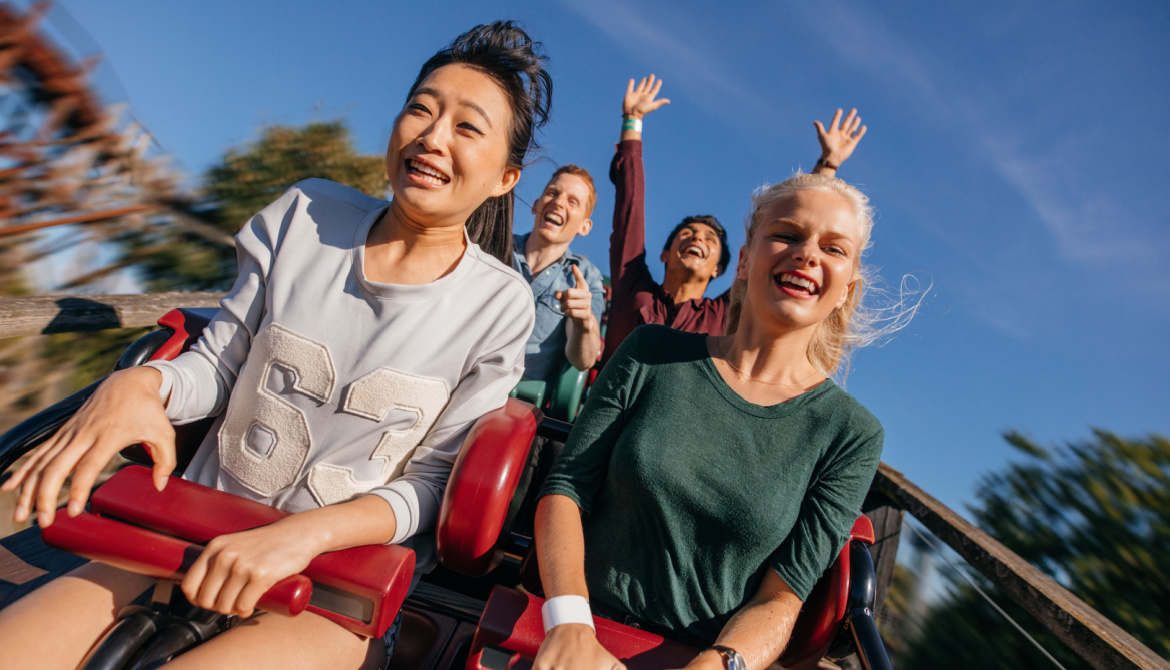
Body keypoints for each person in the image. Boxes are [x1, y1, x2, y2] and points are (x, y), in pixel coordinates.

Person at [0, 21, 551, 670]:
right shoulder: (304, 213)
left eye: (467, 127)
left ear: (505, 179)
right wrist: (142, 383)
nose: (431, 137)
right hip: (186, 533)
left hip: (333, 585)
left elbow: (431, 484)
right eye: (420, 109)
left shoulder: (499, 303)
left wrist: (300, 538)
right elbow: (216, 368)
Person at [533, 173, 893, 670]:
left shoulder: (851, 433)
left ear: (846, 291)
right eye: (787, 234)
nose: (807, 254)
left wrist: (714, 666)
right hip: (573, 634)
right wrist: (570, 624)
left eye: (833, 248)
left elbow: (782, 597)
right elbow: (567, 488)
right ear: (744, 262)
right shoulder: (650, 351)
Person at [602, 74, 868, 365]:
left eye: (709, 239)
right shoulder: (633, 285)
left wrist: (828, 165)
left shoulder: (724, 313)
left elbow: (787, 221)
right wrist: (633, 120)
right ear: (665, 254)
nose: (696, 238)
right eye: (687, 233)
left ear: (722, 268)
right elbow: (630, 206)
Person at [512, 165, 606, 389]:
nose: (559, 202)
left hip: (516, 401)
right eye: (553, 193)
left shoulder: (586, 277)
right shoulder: (494, 244)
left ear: (585, 226)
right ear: (536, 205)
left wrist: (583, 321)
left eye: (573, 201)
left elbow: (584, 360)